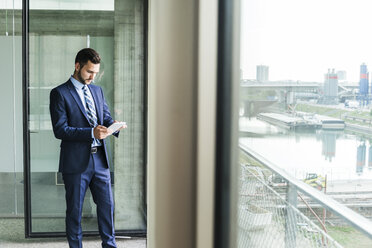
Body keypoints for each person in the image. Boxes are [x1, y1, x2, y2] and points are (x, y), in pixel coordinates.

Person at [49, 48, 126, 248]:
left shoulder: (97, 91)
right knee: (75, 211)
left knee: (107, 207)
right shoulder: (59, 93)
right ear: (77, 66)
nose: (93, 76)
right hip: (75, 163)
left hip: (100, 159)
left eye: (95, 72)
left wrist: (114, 126)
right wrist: (91, 133)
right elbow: (60, 129)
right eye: (89, 72)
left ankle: (110, 245)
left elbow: (105, 118)